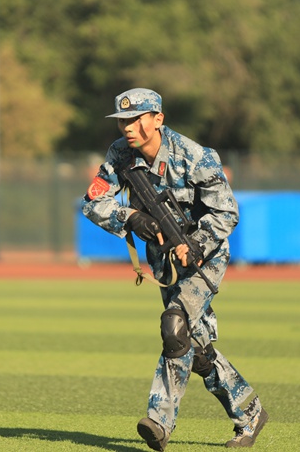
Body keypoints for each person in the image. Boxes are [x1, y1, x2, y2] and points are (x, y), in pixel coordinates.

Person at [81, 88, 267, 450]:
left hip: (205, 256)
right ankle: (249, 412)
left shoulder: (195, 156)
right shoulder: (120, 154)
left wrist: (195, 244)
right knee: (192, 347)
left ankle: (160, 420)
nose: (127, 128)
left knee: (174, 324)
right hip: (164, 261)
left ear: (157, 119)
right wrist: (130, 217)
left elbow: (227, 212)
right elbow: (93, 202)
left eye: (135, 119)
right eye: (122, 121)